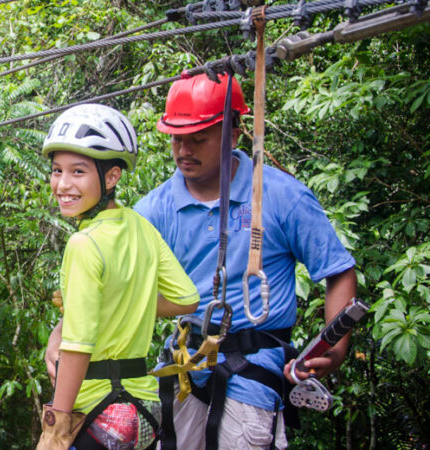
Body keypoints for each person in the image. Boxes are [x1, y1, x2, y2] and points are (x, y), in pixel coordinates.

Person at [132, 72, 358, 449]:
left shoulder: (281, 197)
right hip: (187, 364)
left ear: (233, 134)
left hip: (254, 366)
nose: (184, 149)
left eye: (198, 138)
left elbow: (337, 271)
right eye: (177, 138)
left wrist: (333, 349)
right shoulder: (154, 210)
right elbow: (114, 287)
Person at [37, 103, 199, 450]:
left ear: (111, 177)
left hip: (97, 411)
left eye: (78, 172)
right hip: (143, 414)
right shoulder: (141, 227)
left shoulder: (83, 243)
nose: (62, 184)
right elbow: (186, 299)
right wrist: (125, 303)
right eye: (56, 170)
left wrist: (56, 427)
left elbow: (78, 349)